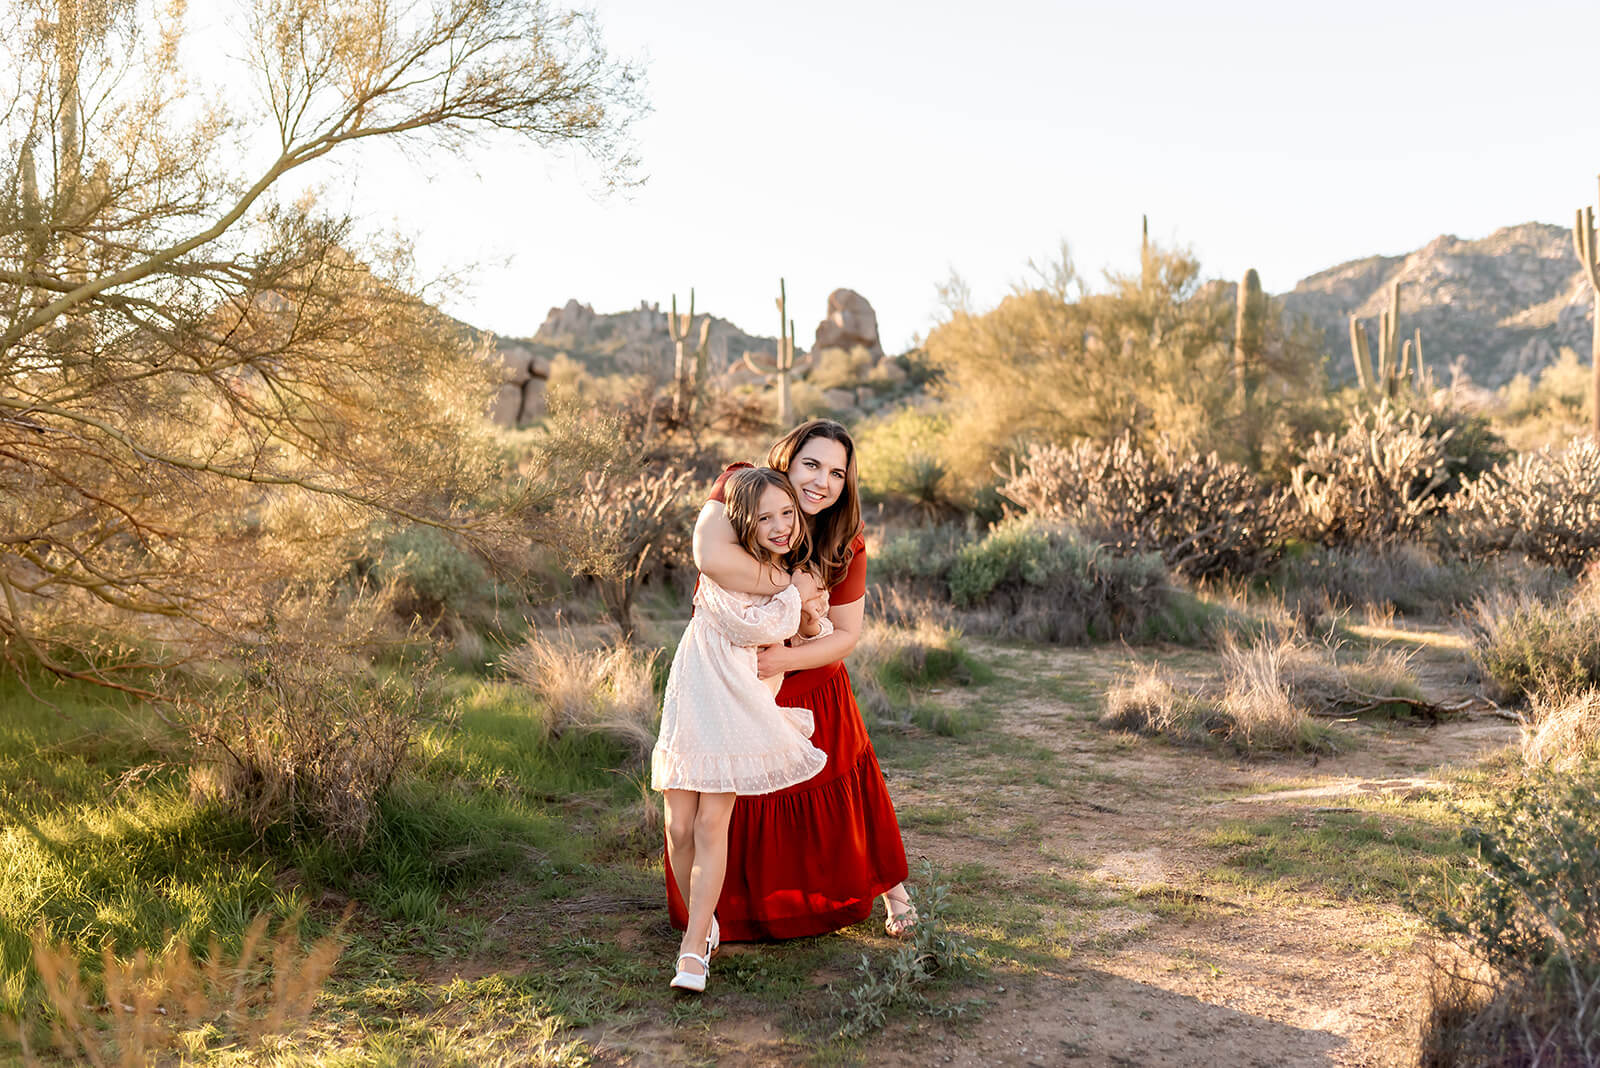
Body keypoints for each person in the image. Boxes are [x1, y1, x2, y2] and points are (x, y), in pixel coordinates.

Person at [667, 419, 917, 942]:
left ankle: (892, 887)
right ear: (787, 458)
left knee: (844, 783)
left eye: (836, 473)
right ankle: (734, 913)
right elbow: (710, 557)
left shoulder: (845, 538)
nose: (821, 482)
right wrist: (793, 587)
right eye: (811, 464)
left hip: (806, 673)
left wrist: (784, 660)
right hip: (730, 676)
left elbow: (847, 634)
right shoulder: (740, 484)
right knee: (735, 799)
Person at [651, 467, 830, 991]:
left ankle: (693, 947)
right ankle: (703, 926)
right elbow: (713, 571)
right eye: (765, 517)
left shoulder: (791, 585)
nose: (780, 527)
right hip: (692, 694)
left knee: (710, 826)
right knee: (677, 827)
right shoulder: (732, 569)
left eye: (788, 514)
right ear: (743, 524)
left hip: (737, 707)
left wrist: (802, 609)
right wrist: (783, 589)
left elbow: (798, 630)